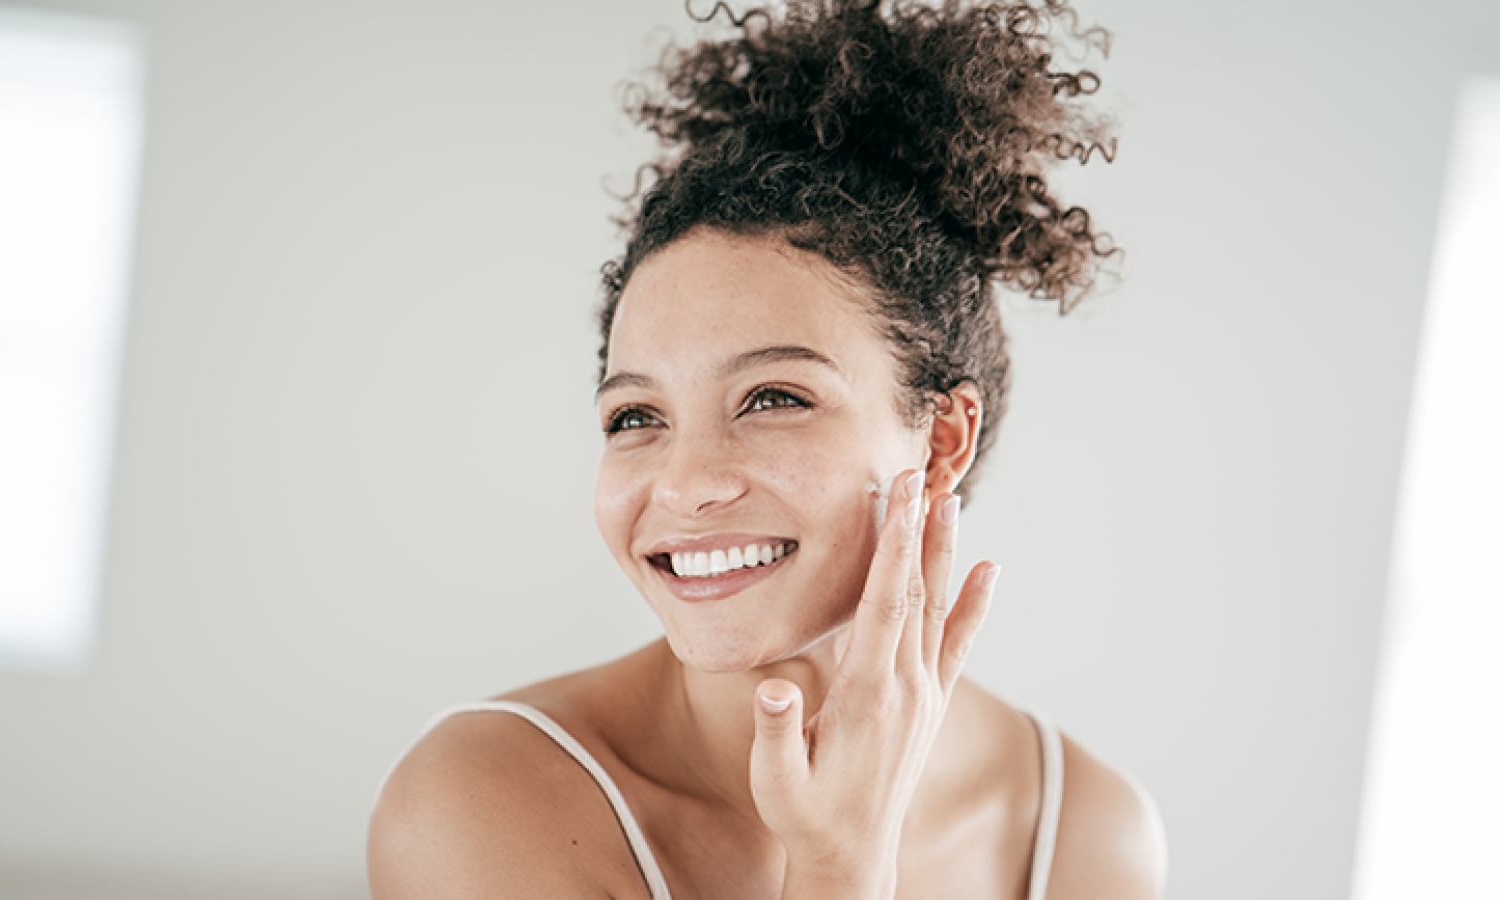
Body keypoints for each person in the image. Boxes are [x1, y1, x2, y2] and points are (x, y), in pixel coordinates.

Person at [368, 0, 1167, 897]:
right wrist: (839, 865)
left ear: (942, 440)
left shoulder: (1089, 833)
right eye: (636, 416)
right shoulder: (482, 802)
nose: (685, 484)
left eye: (774, 397)